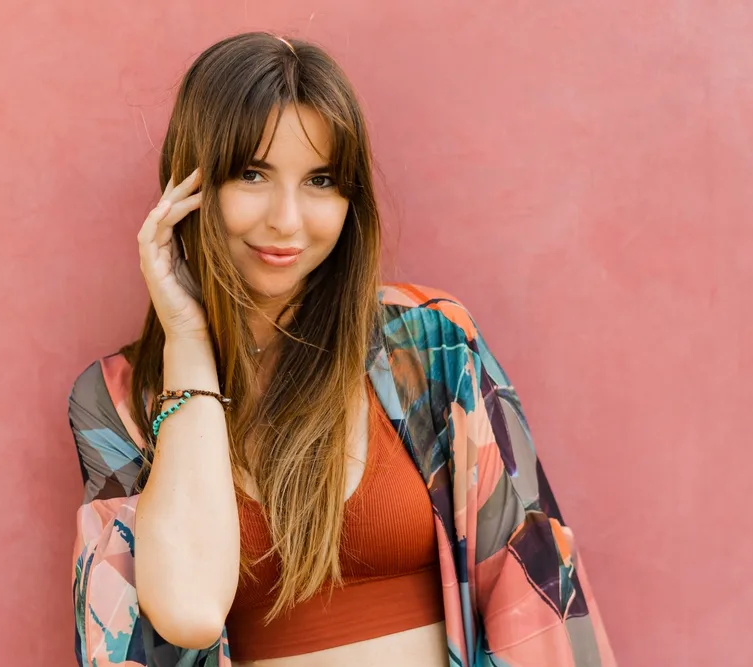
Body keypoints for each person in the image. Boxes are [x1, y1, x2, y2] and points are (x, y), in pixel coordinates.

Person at [68, 31, 614, 667]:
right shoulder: (116, 403)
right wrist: (188, 343)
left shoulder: (429, 346)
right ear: (189, 186)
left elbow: (535, 592)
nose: (288, 220)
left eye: (321, 180)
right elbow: (185, 615)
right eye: (252, 174)